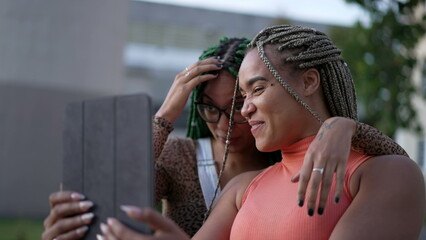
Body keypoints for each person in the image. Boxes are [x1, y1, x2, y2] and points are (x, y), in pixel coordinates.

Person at [42, 36, 410, 240]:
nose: (239, 114)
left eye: (251, 94)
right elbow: (113, 195)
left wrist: (344, 126)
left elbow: (399, 170)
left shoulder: (373, 172)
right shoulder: (236, 183)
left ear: (308, 81)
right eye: (210, 109)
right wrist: (165, 114)